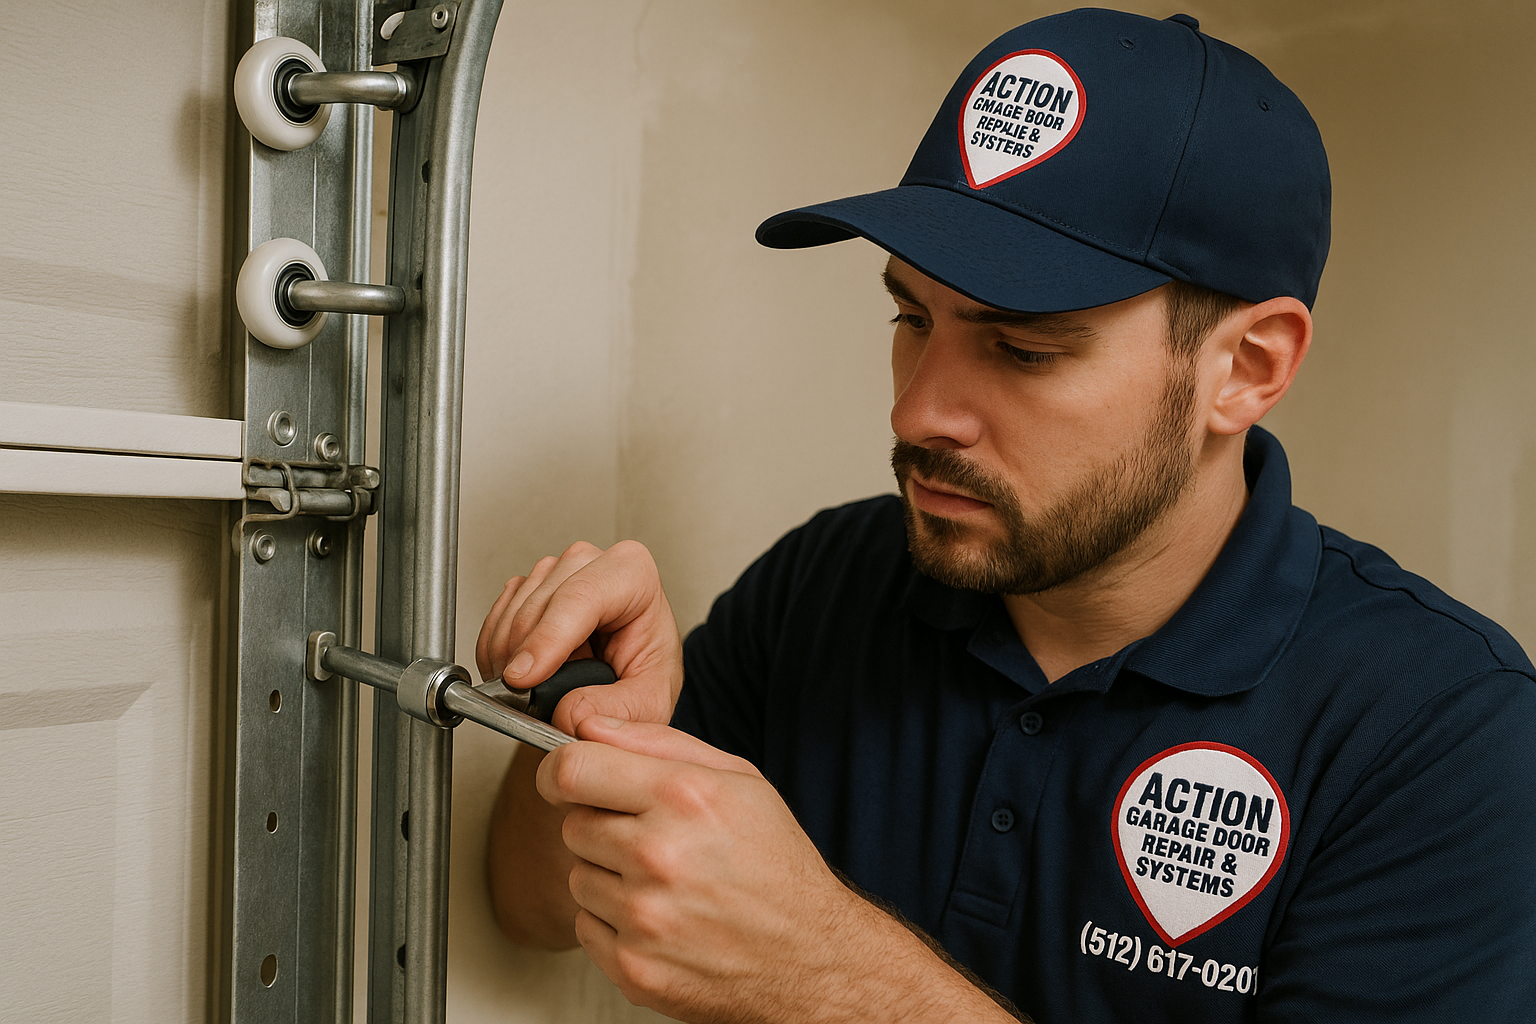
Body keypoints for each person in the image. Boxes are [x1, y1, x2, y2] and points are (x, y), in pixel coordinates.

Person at [478, 9, 1536, 1022]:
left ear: (1246, 368)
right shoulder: (827, 583)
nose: (917, 410)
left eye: (1024, 348)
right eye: (910, 315)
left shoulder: (1445, 739)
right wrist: (601, 717)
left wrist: (835, 979)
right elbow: (528, 904)